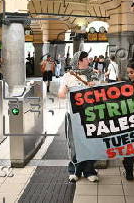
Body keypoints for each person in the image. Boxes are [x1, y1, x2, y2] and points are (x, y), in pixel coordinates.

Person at [58, 51, 99, 183]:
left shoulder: (94, 74)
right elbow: (61, 94)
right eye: (86, 59)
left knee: (91, 142)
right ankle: (74, 170)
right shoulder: (68, 76)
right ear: (79, 61)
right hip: (74, 115)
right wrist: (65, 90)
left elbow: (102, 92)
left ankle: (89, 170)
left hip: (91, 114)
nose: (89, 60)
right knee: (75, 143)